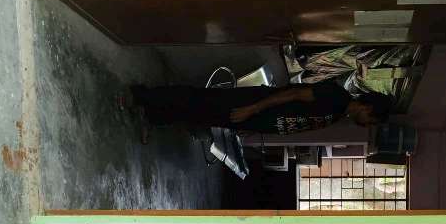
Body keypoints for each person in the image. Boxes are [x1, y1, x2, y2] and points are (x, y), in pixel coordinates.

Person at [125, 80, 393, 137]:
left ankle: (153, 115)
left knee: (202, 115)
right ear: (368, 107)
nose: (367, 125)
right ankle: (141, 95)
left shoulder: (337, 115)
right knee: (200, 100)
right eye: (371, 120)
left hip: (253, 118)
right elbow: (293, 94)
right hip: (252, 104)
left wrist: (253, 125)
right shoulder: (336, 95)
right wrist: (253, 109)